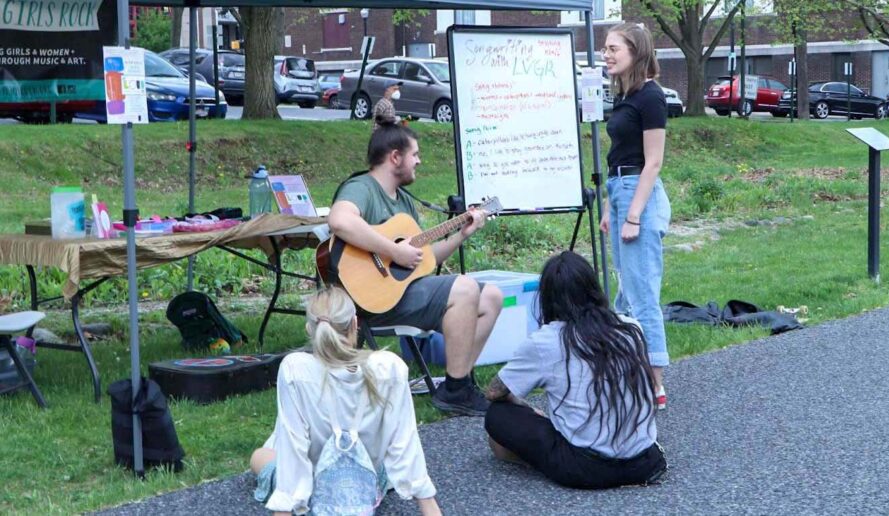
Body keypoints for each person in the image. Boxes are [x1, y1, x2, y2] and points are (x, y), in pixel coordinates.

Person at [327, 121, 502, 415]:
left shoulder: (404, 201)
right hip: (369, 299)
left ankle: (457, 382)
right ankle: (457, 391)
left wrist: (461, 234)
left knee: (492, 296)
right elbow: (340, 221)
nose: (419, 161)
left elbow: (423, 258)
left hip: (401, 291)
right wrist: (394, 250)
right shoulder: (362, 188)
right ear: (395, 157)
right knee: (465, 287)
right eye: (415, 154)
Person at [250, 287, 442, 516]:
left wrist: (284, 509)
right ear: (355, 324)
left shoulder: (295, 370)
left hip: (314, 491)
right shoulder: (389, 367)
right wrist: (430, 507)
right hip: (367, 481)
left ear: (309, 329)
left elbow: (294, 450)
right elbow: (404, 443)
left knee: (261, 455)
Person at [483, 251, 667, 489]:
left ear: (547, 298)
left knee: (497, 416)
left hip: (588, 469)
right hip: (645, 461)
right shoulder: (630, 327)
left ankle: (540, 460)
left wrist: (528, 408)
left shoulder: (546, 341)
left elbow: (494, 392)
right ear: (593, 288)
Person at [598, 22, 672, 409]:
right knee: (625, 292)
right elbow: (619, 159)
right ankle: (627, 373)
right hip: (620, 190)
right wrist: (612, 208)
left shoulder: (650, 98)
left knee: (642, 294)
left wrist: (634, 215)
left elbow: (653, 162)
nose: (606, 54)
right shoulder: (624, 96)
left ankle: (655, 383)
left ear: (636, 51)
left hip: (639, 195)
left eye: (614, 48)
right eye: (606, 48)